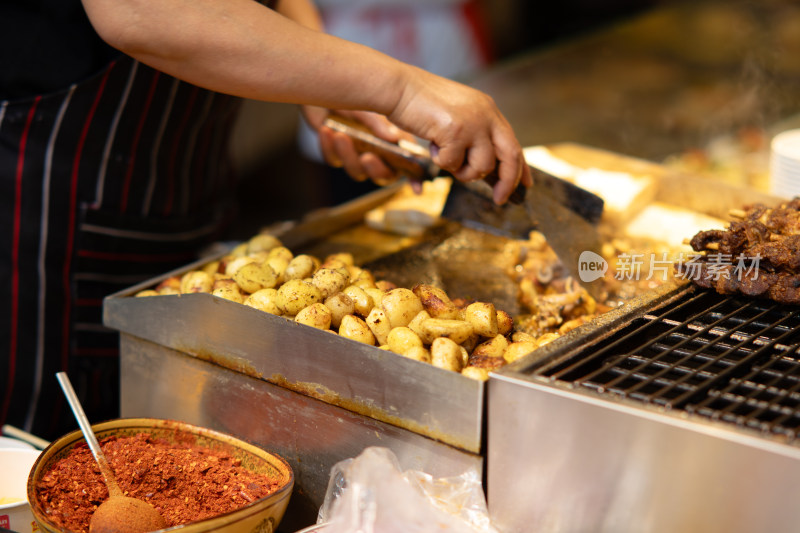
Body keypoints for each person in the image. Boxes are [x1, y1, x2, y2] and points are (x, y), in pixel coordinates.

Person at [0, 0, 531, 440]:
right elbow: (138, 9)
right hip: (51, 191)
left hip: (179, 176)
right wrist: (399, 88)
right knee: (46, 452)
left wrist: (325, 81)